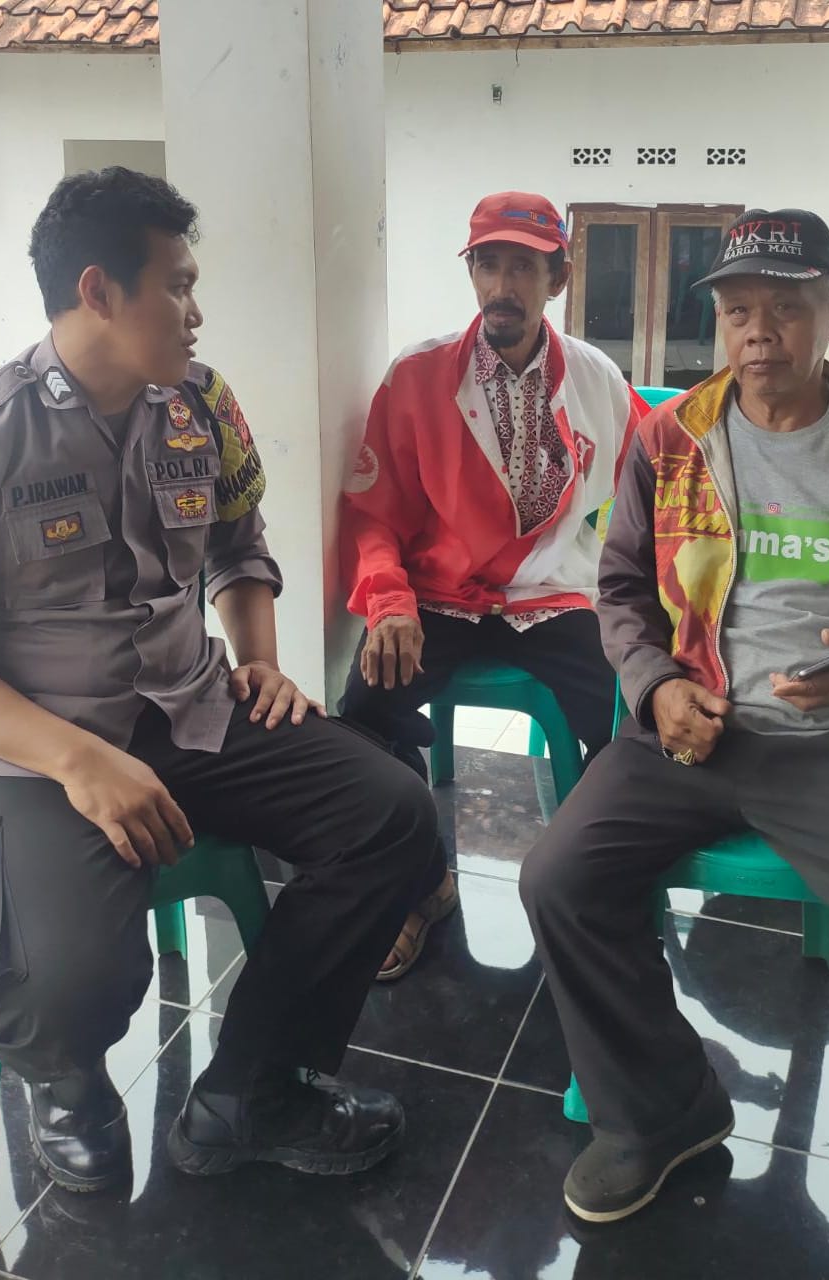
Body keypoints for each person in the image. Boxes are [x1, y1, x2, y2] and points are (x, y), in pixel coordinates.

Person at [0, 168, 437, 1193]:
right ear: (98, 291)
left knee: (391, 815)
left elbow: (239, 544)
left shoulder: (201, 404)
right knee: (70, 983)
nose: (195, 310)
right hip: (37, 751)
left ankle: (249, 1091)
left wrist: (258, 660)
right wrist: (79, 760)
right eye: (177, 285)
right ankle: (69, 1081)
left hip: (194, 707)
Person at [519, 208, 829, 1280]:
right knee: (558, 879)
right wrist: (655, 687)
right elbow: (619, 591)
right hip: (692, 730)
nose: (758, 331)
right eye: (738, 310)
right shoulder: (670, 441)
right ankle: (661, 1113)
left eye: (785, 309)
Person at [340, 191, 646, 981]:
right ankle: (419, 885)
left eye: (522, 267)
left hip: (552, 594)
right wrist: (389, 602)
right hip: (439, 594)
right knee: (364, 713)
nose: (501, 286)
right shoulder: (417, 376)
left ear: (557, 279)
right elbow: (373, 515)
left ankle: (592, 892)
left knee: (634, 715)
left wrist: (642, 606)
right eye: (487, 264)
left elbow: (649, 494)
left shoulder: (597, 379)